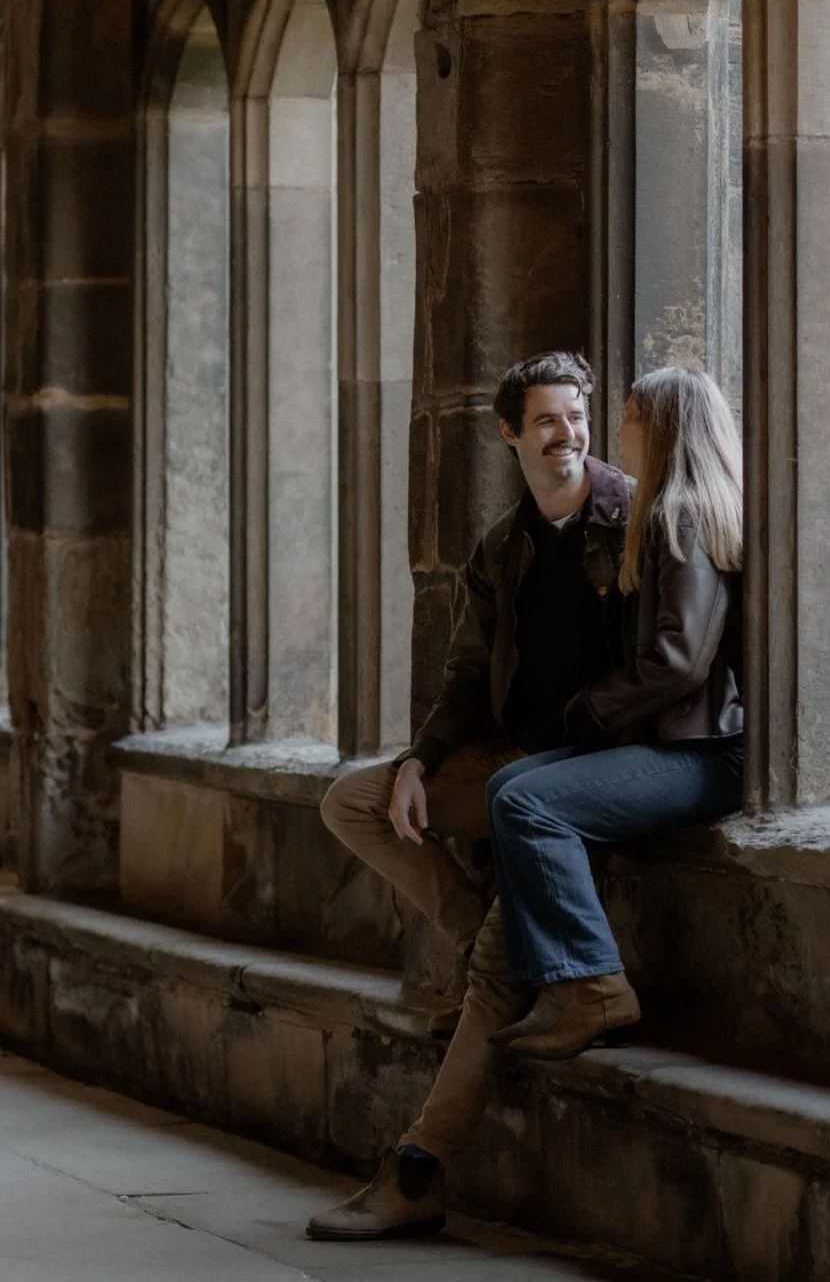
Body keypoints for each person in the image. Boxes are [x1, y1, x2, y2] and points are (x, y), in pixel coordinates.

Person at [306, 350, 630, 1242]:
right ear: (509, 434)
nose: (568, 434)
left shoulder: (631, 520)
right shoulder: (506, 543)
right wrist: (421, 761)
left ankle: (419, 1170)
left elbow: (661, 671)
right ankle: (483, 915)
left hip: (584, 781)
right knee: (354, 800)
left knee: (497, 970)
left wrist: (568, 758)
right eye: (548, 421)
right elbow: (465, 670)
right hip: (506, 762)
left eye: (577, 415)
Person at [485, 365, 744, 1060]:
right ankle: (558, 988)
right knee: (505, 788)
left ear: (659, 428)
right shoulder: (668, 510)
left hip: (702, 751)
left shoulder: (683, 511)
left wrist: (589, 710)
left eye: (628, 416)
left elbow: (681, 660)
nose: (616, 432)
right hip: (674, 741)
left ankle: (595, 987)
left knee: (530, 805)